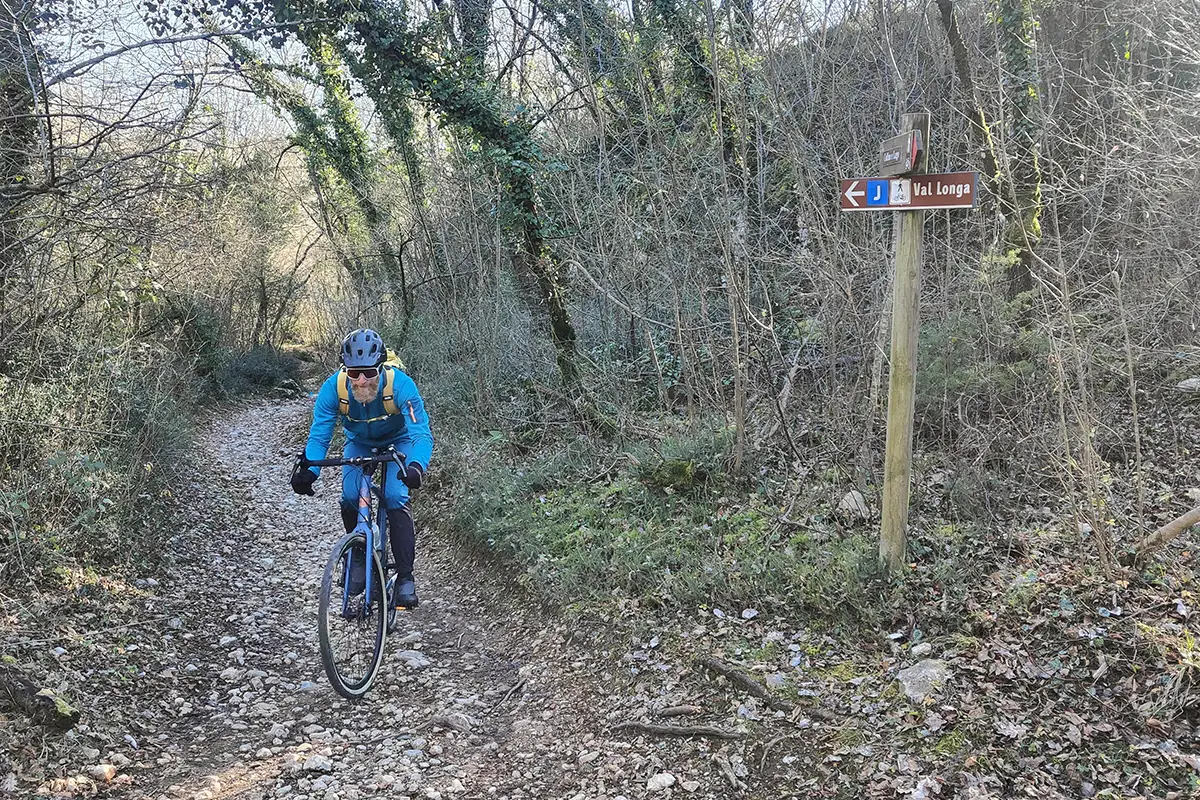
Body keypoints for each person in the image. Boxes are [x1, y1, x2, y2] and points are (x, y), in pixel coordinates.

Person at [290, 328, 433, 609]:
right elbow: (320, 435)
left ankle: (405, 577)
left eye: (368, 372)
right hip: (359, 444)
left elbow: (420, 434)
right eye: (354, 373)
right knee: (350, 496)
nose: (362, 379)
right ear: (345, 371)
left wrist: (416, 465)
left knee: (395, 496)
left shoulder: (401, 385)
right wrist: (310, 470)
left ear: (380, 367)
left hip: (398, 443)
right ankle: (356, 556)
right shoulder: (334, 388)